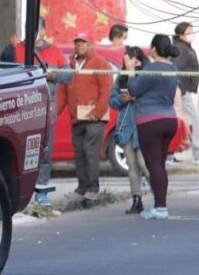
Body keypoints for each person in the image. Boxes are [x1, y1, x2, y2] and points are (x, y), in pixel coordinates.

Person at [13, 17, 72, 206]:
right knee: (19, 150)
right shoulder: (18, 49)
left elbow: (69, 75)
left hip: (47, 106)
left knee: (45, 150)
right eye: (28, 29)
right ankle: (19, 193)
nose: (31, 33)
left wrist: (55, 75)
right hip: (22, 107)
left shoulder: (55, 52)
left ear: (44, 31)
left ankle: (41, 191)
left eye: (36, 29)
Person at [125, 34, 180, 219]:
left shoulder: (151, 68)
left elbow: (134, 89)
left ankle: (161, 208)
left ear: (154, 49)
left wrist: (130, 70)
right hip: (170, 120)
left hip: (150, 121)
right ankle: (159, 206)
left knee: (154, 165)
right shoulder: (172, 68)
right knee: (160, 165)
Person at [57, 32, 113, 207]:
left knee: (90, 152)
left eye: (83, 43)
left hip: (94, 118)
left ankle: (92, 189)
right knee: (79, 154)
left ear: (91, 45)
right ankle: (82, 187)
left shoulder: (100, 63)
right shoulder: (71, 65)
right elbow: (62, 92)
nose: (79, 46)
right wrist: (54, 113)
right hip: (77, 118)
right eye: (77, 43)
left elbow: (106, 90)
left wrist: (97, 112)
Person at [109, 46, 151, 214]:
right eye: (124, 58)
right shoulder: (121, 78)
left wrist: (137, 97)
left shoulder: (147, 75)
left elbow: (154, 99)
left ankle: (158, 198)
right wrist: (122, 98)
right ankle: (136, 199)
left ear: (137, 60)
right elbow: (112, 101)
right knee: (131, 165)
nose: (125, 61)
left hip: (143, 125)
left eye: (129, 58)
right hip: (126, 127)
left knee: (144, 163)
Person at [171, 22, 199, 164]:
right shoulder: (180, 49)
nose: (192, 34)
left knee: (182, 123)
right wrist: (180, 89)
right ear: (180, 34)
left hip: (183, 90)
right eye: (189, 31)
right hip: (181, 91)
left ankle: (176, 155)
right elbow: (175, 70)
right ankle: (198, 154)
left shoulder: (184, 47)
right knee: (193, 121)